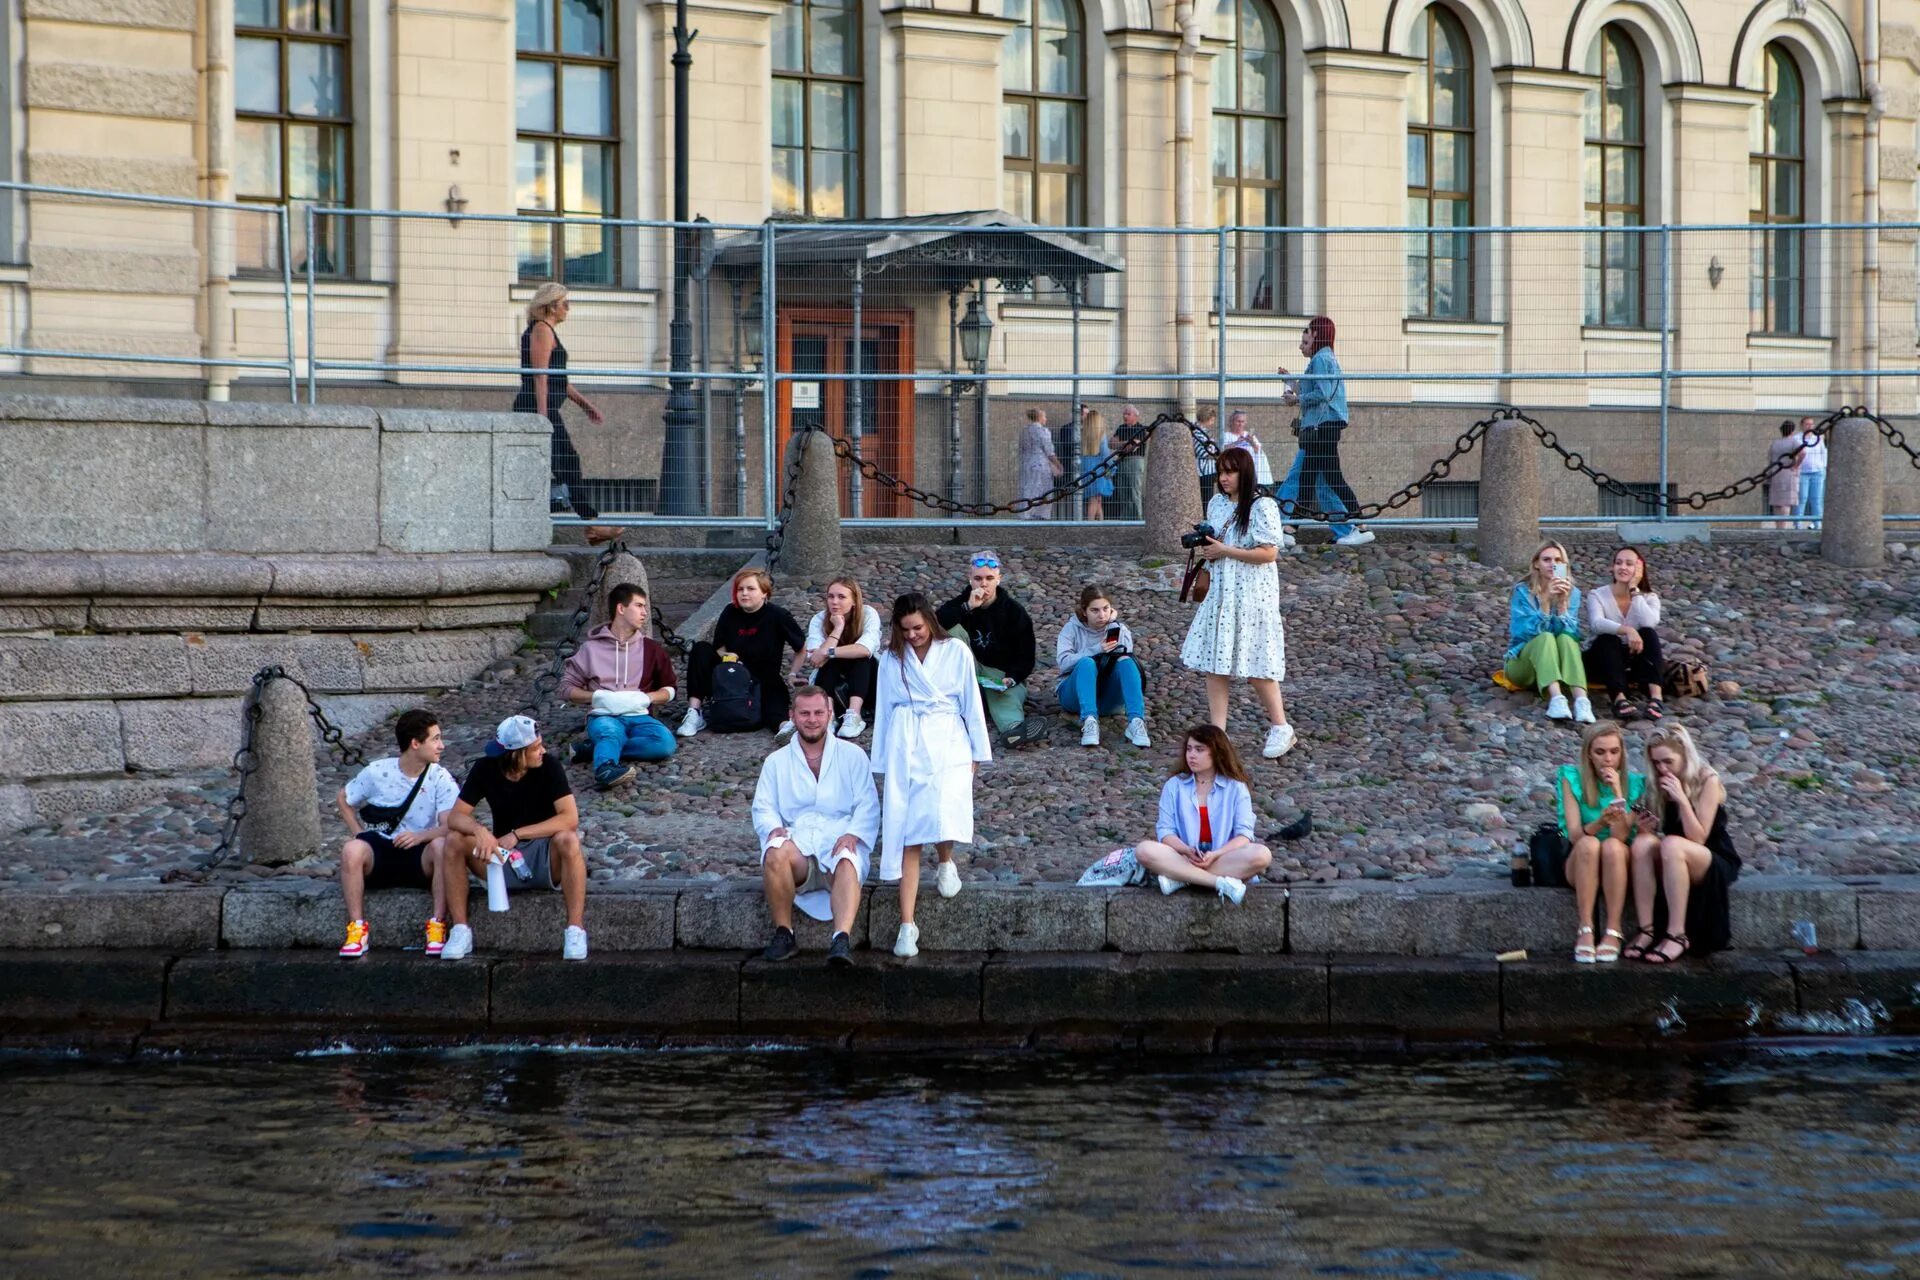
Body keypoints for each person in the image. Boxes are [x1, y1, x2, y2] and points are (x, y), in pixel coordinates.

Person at [871, 592, 994, 958]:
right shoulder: (891, 659)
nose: (912, 635)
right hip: (905, 740)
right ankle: (907, 925)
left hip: (946, 736)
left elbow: (971, 701)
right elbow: (884, 710)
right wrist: (882, 761)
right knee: (907, 828)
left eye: (918, 628)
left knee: (939, 810)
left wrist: (977, 751)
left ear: (930, 620)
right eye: (905, 629)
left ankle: (945, 862)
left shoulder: (955, 651)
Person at [752, 685, 881, 968]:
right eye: (805, 713)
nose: (812, 719)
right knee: (774, 852)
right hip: (799, 844)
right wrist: (772, 827)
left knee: (848, 858)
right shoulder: (776, 762)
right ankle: (784, 934)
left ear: (829, 713)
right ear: (793, 716)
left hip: (837, 841)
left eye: (818, 713)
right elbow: (764, 806)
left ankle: (840, 939)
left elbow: (868, 803)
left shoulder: (853, 755)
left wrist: (853, 834)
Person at [1180, 446, 1296, 760]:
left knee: (1257, 662)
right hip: (1222, 593)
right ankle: (1218, 733)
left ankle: (1280, 725)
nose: (1224, 478)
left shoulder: (1262, 506)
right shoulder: (1217, 503)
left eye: (1230, 471)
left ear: (1244, 472)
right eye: (1221, 472)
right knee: (1215, 663)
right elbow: (1216, 540)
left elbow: (1269, 553)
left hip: (1252, 597)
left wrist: (1225, 551)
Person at [441, 715, 588, 962]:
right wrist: (480, 830)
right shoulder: (485, 768)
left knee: (568, 839)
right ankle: (460, 930)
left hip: (542, 854)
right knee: (455, 840)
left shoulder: (549, 766)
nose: (542, 750)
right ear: (517, 754)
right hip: (502, 858)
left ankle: (575, 929)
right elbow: (456, 817)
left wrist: (518, 834)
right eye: (535, 748)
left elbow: (570, 818)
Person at [335, 709, 460, 958]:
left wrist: (422, 836)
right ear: (415, 743)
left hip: (419, 855)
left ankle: (437, 924)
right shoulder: (377, 772)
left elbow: (451, 824)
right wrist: (358, 832)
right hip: (381, 851)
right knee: (351, 849)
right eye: (435, 739)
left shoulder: (440, 777)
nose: (441, 746)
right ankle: (357, 929)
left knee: (442, 846)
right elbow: (344, 798)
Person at [1627, 724, 1742, 964]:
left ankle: (1677, 934)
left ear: (1685, 755)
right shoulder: (1658, 782)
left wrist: (1681, 799)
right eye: (1656, 763)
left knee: (1671, 844)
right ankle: (1647, 929)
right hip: (1677, 853)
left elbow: (1699, 837)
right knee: (1642, 844)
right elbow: (1663, 833)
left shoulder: (1707, 779)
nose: (1662, 768)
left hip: (1712, 856)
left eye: (1668, 762)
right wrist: (1645, 827)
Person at [513, 282, 615, 541]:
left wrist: (586, 406)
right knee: (564, 463)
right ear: (551, 306)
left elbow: (560, 381)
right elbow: (540, 377)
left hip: (542, 408)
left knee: (563, 463)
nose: (568, 309)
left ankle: (591, 526)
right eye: (565, 304)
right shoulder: (541, 330)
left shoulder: (547, 331)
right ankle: (592, 525)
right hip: (535, 408)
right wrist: (544, 416)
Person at [1133, 725, 1272, 905]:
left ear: (1216, 753)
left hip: (1223, 858)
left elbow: (1244, 834)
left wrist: (1216, 854)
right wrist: (1186, 850)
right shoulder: (1174, 785)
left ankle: (1183, 877)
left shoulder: (1236, 787)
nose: (1191, 755)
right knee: (1144, 850)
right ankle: (1219, 882)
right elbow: (1165, 831)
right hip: (1185, 857)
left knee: (1262, 854)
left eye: (1199, 750)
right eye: (1189, 749)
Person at [560, 582, 678, 790]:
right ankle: (605, 768)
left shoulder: (651, 649)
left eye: (645, 607)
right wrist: (597, 697)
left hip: (639, 715)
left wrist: (647, 698)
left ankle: (594, 749)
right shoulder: (590, 649)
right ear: (621, 609)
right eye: (639, 606)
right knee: (610, 732)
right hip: (604, 715)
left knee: (664, 743)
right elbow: (567, 688)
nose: (644, 613)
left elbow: (669, 689)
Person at [1278, 315, 1374, 547]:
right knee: (1317, 477)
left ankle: (1292, 528)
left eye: (1307, 336)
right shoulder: (1323, 358)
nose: (1303, 343)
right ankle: (1294, 527)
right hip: (1323, 425)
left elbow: (1323, 393)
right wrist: (1293, 385)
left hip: (1322, 426)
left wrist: (1297, 398)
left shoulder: (1321, 359)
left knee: (1320, 477)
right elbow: (1320, 389)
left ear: (1317, 334)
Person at [1557, 719, 1648, 963]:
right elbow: (1575, 835)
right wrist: (1600, 822)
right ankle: (1585, 928)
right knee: (1590, 843)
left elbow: (1620, 836)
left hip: (1616, 861)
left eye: (1614, 752)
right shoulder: (1571, 778)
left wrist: (1618, 794)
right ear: (1588, 754)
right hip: (1581, 858)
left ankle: (1614, 930)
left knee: (1612, 846)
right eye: (1600, 752)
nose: (1608, 759)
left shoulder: (1636, 784)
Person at [936, 550, 1047, 747]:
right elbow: (935, 623)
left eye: (989, 578)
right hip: (964, 672)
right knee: (950, 628)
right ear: (970, 580)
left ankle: (1015, 731)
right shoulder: (962, 603)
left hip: (997, 676)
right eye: (978, 578)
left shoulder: (1014, 612)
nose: (983, 584)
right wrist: (967, 607)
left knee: (1005, 701)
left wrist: (1011, 678)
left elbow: (1026, 656)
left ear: (998, 579)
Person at [679, 567, 807, 739]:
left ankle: (783, 726)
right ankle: (694, 712)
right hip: (731, 673)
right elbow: (719, 647)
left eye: (750, 589)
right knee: (701, 649)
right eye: (740, 589)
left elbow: (801, 647)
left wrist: (792, 674)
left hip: (762, 674)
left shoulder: (778, 615)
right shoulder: (730, 612)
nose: (744, 593)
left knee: (772, 692)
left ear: (764, 593)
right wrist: (729, 658)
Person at [1505, 540, 1595, 724]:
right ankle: (1557, 699)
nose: (1552, 564)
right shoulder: (1522, 592)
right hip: (1522, 665)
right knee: (1545, 637)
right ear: (1536, 563)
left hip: (1555, 666)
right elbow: (1522, 633)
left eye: (1558, 560)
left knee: (1567, 639)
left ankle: (1581, 700)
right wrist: (1545, 603)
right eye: (1546, 559)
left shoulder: (1573, 593)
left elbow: (1572, 634)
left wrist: (1562, 606)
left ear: (1565, 565)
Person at [1055, 583, 1150, 749]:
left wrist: (1114, 625)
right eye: (1095, 610)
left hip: (1108, 699)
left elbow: (1127, 651)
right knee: (1086, 663)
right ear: (1084, 611)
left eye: (1106, 609)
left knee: (1126, 661)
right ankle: (1089, 722)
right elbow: (1063, 663)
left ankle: (1136, 722)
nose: (1102, 615)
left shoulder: (1117, 627)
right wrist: (1096, 649)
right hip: (1074, 696)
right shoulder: (1071, 629)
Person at [793, 576, 882, 739]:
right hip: (832, 681)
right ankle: (830, 715)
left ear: (854, 600)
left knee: (859, 658)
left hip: (869, 681)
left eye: (841, 597)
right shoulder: (819, 619)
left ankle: (854, 715)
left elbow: (865, 649)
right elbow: (815, 659)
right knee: (829, 661)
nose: (834, 602)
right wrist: (837, 628)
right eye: (831, 596)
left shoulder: (868, 614)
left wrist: (829, 651)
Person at [1584, 545, 1665, 723]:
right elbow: (1596, 624)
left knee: (1649, 634)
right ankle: (1619, 699)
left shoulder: (1649, 598)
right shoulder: (1597, 595)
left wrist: (1635, 591)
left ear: (1639, 569)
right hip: (1602, 660)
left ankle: (1656, 697)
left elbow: (1650, 622)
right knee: (1607, 639)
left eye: (1629, 564)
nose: (1623, 567)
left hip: (1633, 661)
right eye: (1619, 563)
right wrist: (1627, 630)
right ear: (1612, 567)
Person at [1017, 407, 1062, 519]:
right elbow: (1049, 451)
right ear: (1040, 417)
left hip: (1027, 463)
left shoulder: (1024, 431)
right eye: (1045, 416)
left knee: (1028, 489)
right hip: (1041, 464)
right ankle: (1041, 515)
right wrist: (1058, 464)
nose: (1046, 419)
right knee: (1043, 490)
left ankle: (1025, 514)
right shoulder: (1043, 431)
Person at [1079, 407, 1116, 521]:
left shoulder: (1082, 434)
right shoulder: (1101, 435)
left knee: (1097, 499)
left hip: (1085, 469)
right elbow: (1106, 455)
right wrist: (1113, 468)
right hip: (1099, 470)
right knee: (1095, 500)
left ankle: (1101, 524)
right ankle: (1090, 526)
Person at [1113, 403, 1148, 519]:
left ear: (1135, 415)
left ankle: (1138, 516)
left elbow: (1133, 447)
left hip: (1135, 461)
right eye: (1124, 414)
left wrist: (1121, 445)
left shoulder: (1140, 429)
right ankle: (1125, 517)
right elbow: (1111, 443)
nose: (1125, 416)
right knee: (1123, 491)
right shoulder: (1121, 428)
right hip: (1122, 461)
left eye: (1128, 414)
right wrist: (1125, 443)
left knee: (1134, 490)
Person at [1221, 410, 1273, 486]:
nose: (1240, 424)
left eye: (1243, 422)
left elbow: (1258, 450)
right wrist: (1237, 442)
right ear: (1232, 422)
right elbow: (1222, 450)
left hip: (1252, 469)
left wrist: (1251, 442)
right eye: (1238, 421)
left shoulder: (1248, 435)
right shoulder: (1226, 435)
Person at [1765, 420, 1802, 528]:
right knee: (1786, 502)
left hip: (1775, 472)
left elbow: (1769, 458)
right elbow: (1803, 453)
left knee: (1777, 502)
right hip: (1788, 473)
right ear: (1792, 431)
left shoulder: (1775, 443)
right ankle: (1783, 526)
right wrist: (1796, 466)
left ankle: (1778, 526)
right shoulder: (1794, 442)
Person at [1795, 415, 1827, 530]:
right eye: (1807, 424)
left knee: (1817, 499)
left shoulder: (1817, 438)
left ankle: (1817, 524)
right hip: (1803, 472)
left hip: (1818, 472)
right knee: (1802, 498)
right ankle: (1798, 524)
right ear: (1802, 426)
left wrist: (1823, 468)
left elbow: (1823, 453)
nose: (1809, 426)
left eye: (1811, 424)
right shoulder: (1797, 438)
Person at [1192, 403, 1220, 509]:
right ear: (1209, 418)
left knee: (1207, 498)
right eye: (1212, 420)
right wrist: (1214, 453)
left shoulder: (1199, 431)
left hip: (1206, 469)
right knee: (1206, 498)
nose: (1213, 423)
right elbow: (1203, 452)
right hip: (1204, 470)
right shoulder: (1198, 432)